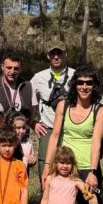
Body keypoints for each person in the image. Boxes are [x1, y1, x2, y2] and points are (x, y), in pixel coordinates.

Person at [43, 64, 103, 204]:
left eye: (89, 83)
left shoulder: (99, 110)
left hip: (86, 167)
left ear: (94, 86)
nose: (84, 87)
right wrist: (48, 166)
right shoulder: (63, 105)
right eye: (80, 82)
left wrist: (93, 172)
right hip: (65, 166)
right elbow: (54, 136)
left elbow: (96, 142)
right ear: (74, 85)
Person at [31, 46, 75, 177]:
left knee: (69, 166)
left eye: (59, 53)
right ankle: (45, 189)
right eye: (53, 53)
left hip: (70, 129)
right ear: (48, 56)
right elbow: (26, 101)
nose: (56, 57)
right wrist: (32, 123)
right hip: (48, 129)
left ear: (65, 54)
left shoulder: (75, 75)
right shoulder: (39, 77)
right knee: (45, 165)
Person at [0, 52, 36, 120]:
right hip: (1, 126)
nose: (12, 71)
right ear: (2, 67)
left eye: (16, 68)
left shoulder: (28, 86)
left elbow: (32, 111)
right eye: (9, 68)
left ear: (21, 69)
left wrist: (28, 124)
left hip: (23, 126)